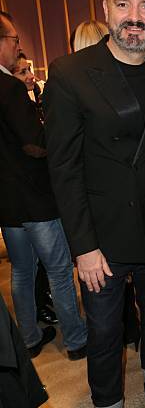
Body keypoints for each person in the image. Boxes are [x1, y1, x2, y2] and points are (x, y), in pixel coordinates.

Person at [43, 0, 145, 408]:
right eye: (124, 5)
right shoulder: (71, 73)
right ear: (106, 10)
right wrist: (82, 246)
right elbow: (64, 170)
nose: (135, 17)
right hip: (101, 242)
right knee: (103, 336)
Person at [0, 11, 87, 360]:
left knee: (22, 270)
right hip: (34, 198)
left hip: (6, 201)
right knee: (59, 270)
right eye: (14, 40)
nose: (18, 47)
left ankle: (30, 337)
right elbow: (33, 142)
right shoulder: (8, 87)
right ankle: (77, 339)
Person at [11, 52, 58, 326]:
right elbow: (36, 148)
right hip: (30, 198)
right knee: (47, 266)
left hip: (18, 200)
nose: (30, 76)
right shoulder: (16, 104)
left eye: (28, 70)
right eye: (22, 72)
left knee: (27, 268)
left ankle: (31, 327)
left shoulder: (34, 100)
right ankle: (39, 311)